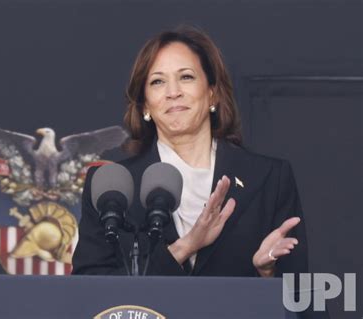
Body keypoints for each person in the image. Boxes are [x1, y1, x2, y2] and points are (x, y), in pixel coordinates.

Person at [72, 26, 308, 278]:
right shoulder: (112, 189)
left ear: (212, 93)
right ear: (145, 106)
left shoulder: (269, 178)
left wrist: (267, 272)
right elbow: (90, 294)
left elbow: (302, 298)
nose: (173, 92)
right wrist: (184, 247)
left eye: (186, 77)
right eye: (158, 81)